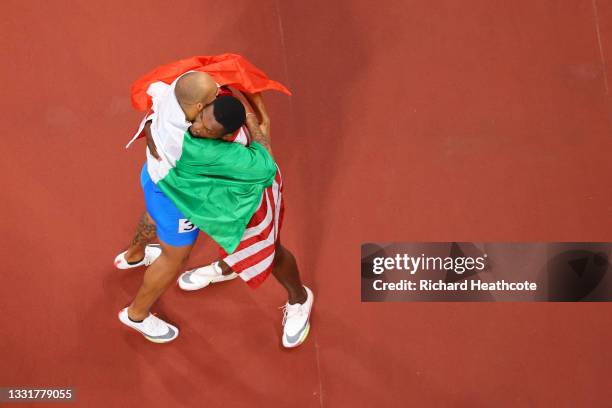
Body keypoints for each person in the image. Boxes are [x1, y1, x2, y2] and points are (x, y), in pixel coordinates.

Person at [116, 71, 313, 347]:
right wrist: (256, 120)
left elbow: (203, 81)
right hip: (181, 197)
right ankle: (136, 316)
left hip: (158, 178)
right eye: (199, 123)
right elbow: (266, 162)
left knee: (269, 248)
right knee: (174, 257)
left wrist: (150, 124)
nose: (196, 128)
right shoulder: (201, 150)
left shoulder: (177, 93)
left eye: (206, 128)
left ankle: (299, 299)